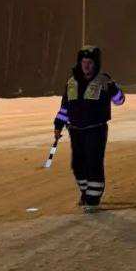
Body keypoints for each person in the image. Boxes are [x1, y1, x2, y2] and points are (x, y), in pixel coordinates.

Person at [53, 46, 126, 210]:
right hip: (76, 130)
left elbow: (120, 100)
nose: (86, 66)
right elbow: (65, 107)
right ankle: (86, 193)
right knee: (77, 165)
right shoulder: (71, 83)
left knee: (93, 163)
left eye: (90, 62)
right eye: (84, 62)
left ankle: (92, 201)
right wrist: (58, 125)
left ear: (95, 64)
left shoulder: (103, 81)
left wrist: (113, 87)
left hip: (96, 129)